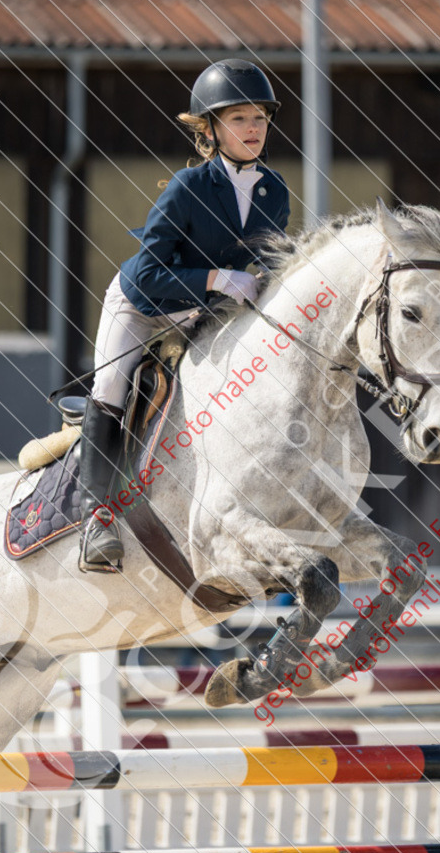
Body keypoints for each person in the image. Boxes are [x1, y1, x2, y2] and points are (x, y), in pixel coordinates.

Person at [78, 59, 290, 573]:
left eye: (260, 117)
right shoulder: (187, 187)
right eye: (239, 119)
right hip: (142, 304)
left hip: (199, 315)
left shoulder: (274, 191)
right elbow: (149, 274)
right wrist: (217, 279)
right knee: (111, 388)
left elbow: (263, 265)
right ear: (212, 129)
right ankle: (95, 517)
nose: (253, 128)